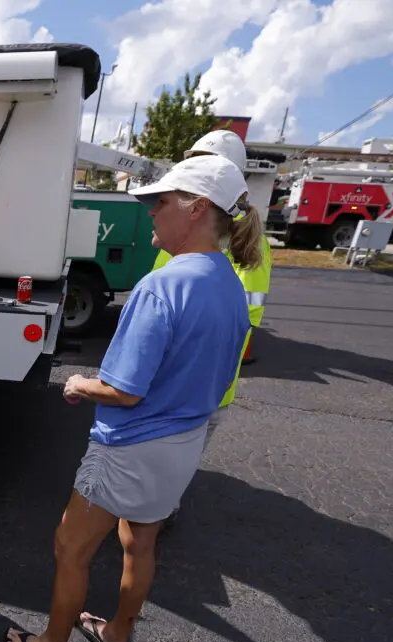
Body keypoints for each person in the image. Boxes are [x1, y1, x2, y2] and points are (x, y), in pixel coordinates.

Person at [4, 154, 261, 642]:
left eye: (161, 202)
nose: (150, 213)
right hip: (184, 444)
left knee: (70, 546)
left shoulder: (162, 285)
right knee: (139, 542)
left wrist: (77, 382)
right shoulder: (230, 284)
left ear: (198, 209)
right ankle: (117, 634)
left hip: (130, 446)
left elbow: (121, 390)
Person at [151, 130, 273, 530]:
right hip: (195, 384)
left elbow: (243, 321)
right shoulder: (187, 240)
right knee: (165, 461)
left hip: (193, 384)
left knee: (167, 472)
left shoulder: (239, 243)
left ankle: (157, 517)